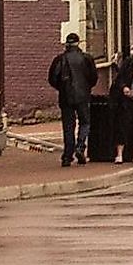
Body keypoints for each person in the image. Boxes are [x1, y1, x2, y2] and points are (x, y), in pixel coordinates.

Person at [47, 33, 98, 166]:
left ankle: (67, 155)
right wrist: (86, 87)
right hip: (83, 95)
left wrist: (62, 88)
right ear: (78, 43)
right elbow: (93, 78)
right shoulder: (87, 58)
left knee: (68, 126)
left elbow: (52, 78)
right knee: (85, 122)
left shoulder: (59, 59)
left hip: (66, 96)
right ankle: (80, 146)